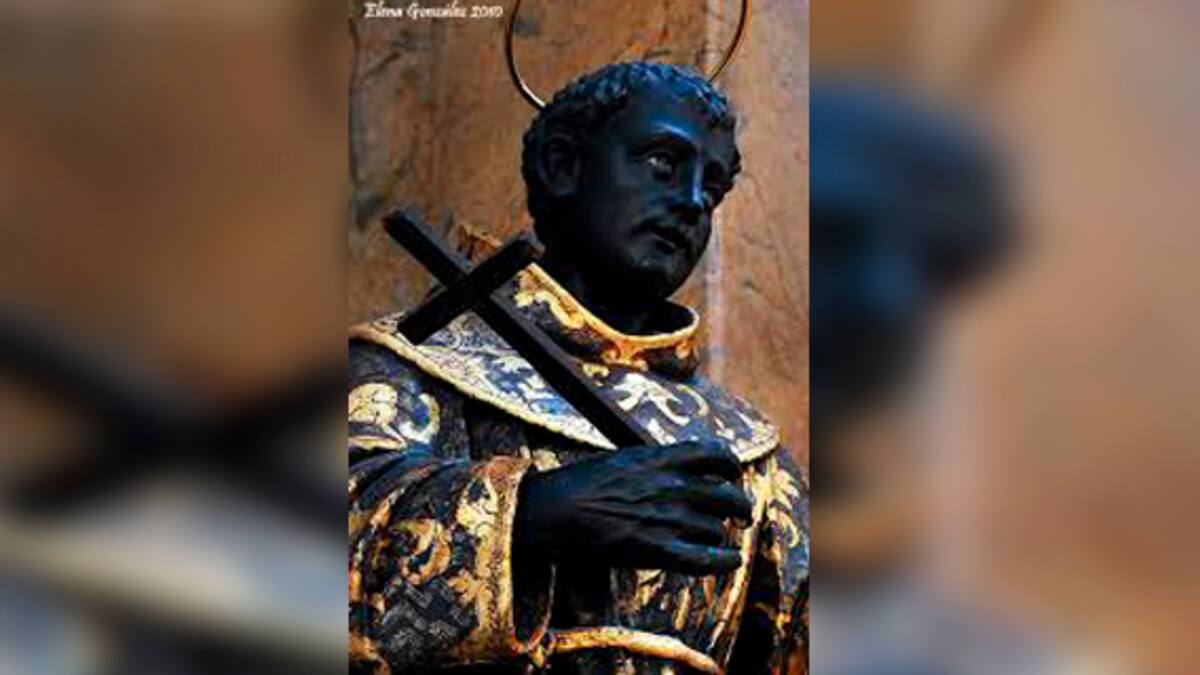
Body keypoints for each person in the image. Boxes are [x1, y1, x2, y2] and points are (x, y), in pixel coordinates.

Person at [349, 63, 808, 675]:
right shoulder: (406, 366)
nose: (693, 201)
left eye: (714, 187)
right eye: (663, 163)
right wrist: (531, 517)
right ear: (562, 166)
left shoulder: (752, 453)